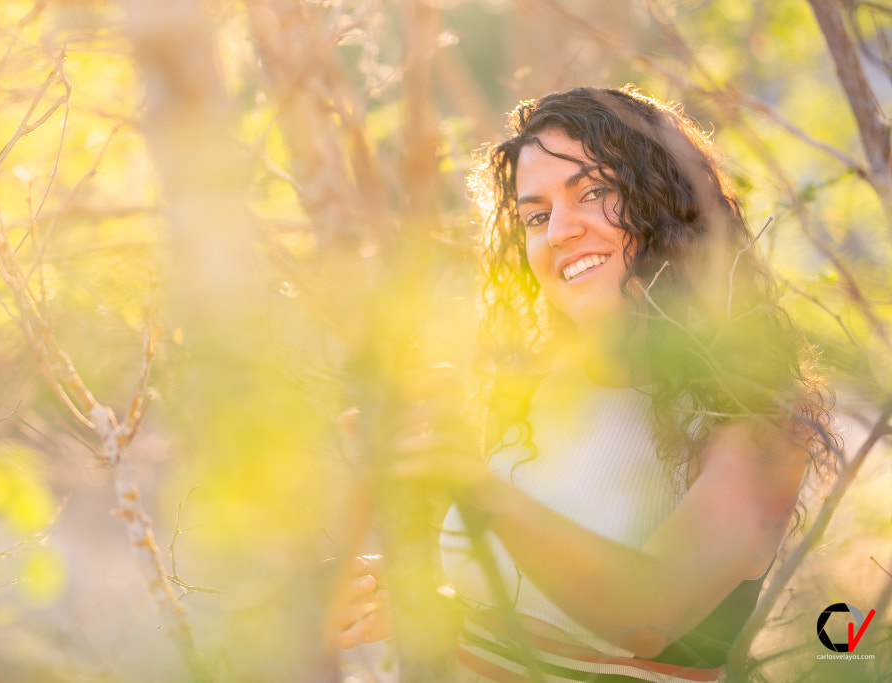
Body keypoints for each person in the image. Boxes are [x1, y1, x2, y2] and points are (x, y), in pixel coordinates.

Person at [336, 86, 834, 682]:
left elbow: (647, 615)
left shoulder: (760, 415)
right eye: (537, 217)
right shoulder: (527, 390)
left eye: (594, 191)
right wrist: (418, 598)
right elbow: (532, 609)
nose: (560, 232)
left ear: (668, 202)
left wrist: (477, 489)